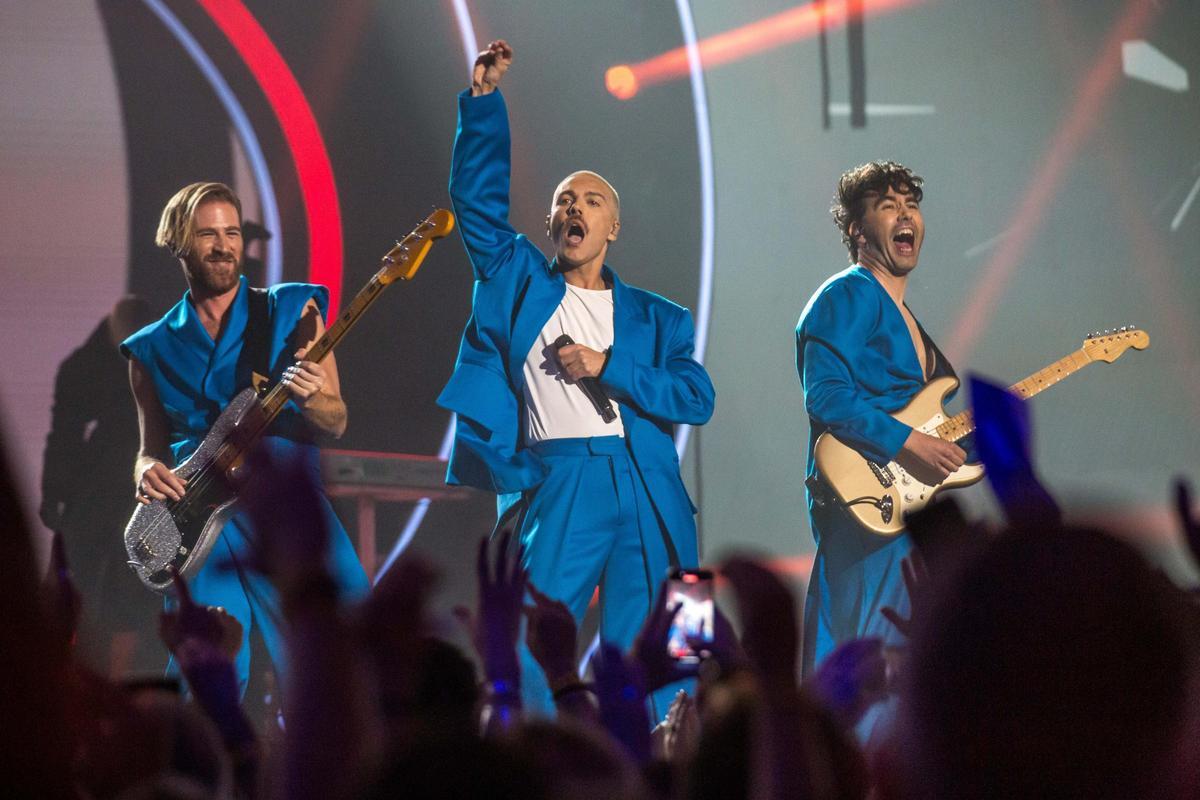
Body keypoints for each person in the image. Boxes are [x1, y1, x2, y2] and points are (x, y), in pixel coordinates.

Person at [437, 40, 715, 717]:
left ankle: (667, 771)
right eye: (564, 200)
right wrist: (483, 104)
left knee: (679, 653)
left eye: (591, 201)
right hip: (563, 479)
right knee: (535, 640)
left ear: (612, 227)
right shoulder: (518, 281)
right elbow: (473, 204)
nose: (574, 209)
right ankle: (527, 761)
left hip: (654, 489)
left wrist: (608, 367)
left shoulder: (660, 317)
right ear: (550, 222)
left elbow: (696, 398)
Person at [121, 181, 369, 692]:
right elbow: (150, 448)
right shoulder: (148, 348)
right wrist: (146, 471)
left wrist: (311, 398)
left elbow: (336, 419)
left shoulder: (291, 309)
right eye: (207, 234)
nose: (224, 245)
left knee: (337, 654)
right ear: (178, 242)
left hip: (282, 501)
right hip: (200, 516)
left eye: (232, 232)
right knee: (206, 669)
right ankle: (209, 765)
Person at [796, 162, 966, 681]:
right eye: (888, 206)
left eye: (910, 205)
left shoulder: (907, 317)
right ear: (857, 228)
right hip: (865, 514)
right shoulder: (847, 294)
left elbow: (919, 426)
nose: (904, 214)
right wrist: (906, 442)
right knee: (866, 669)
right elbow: (826, 396)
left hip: (905, 517)